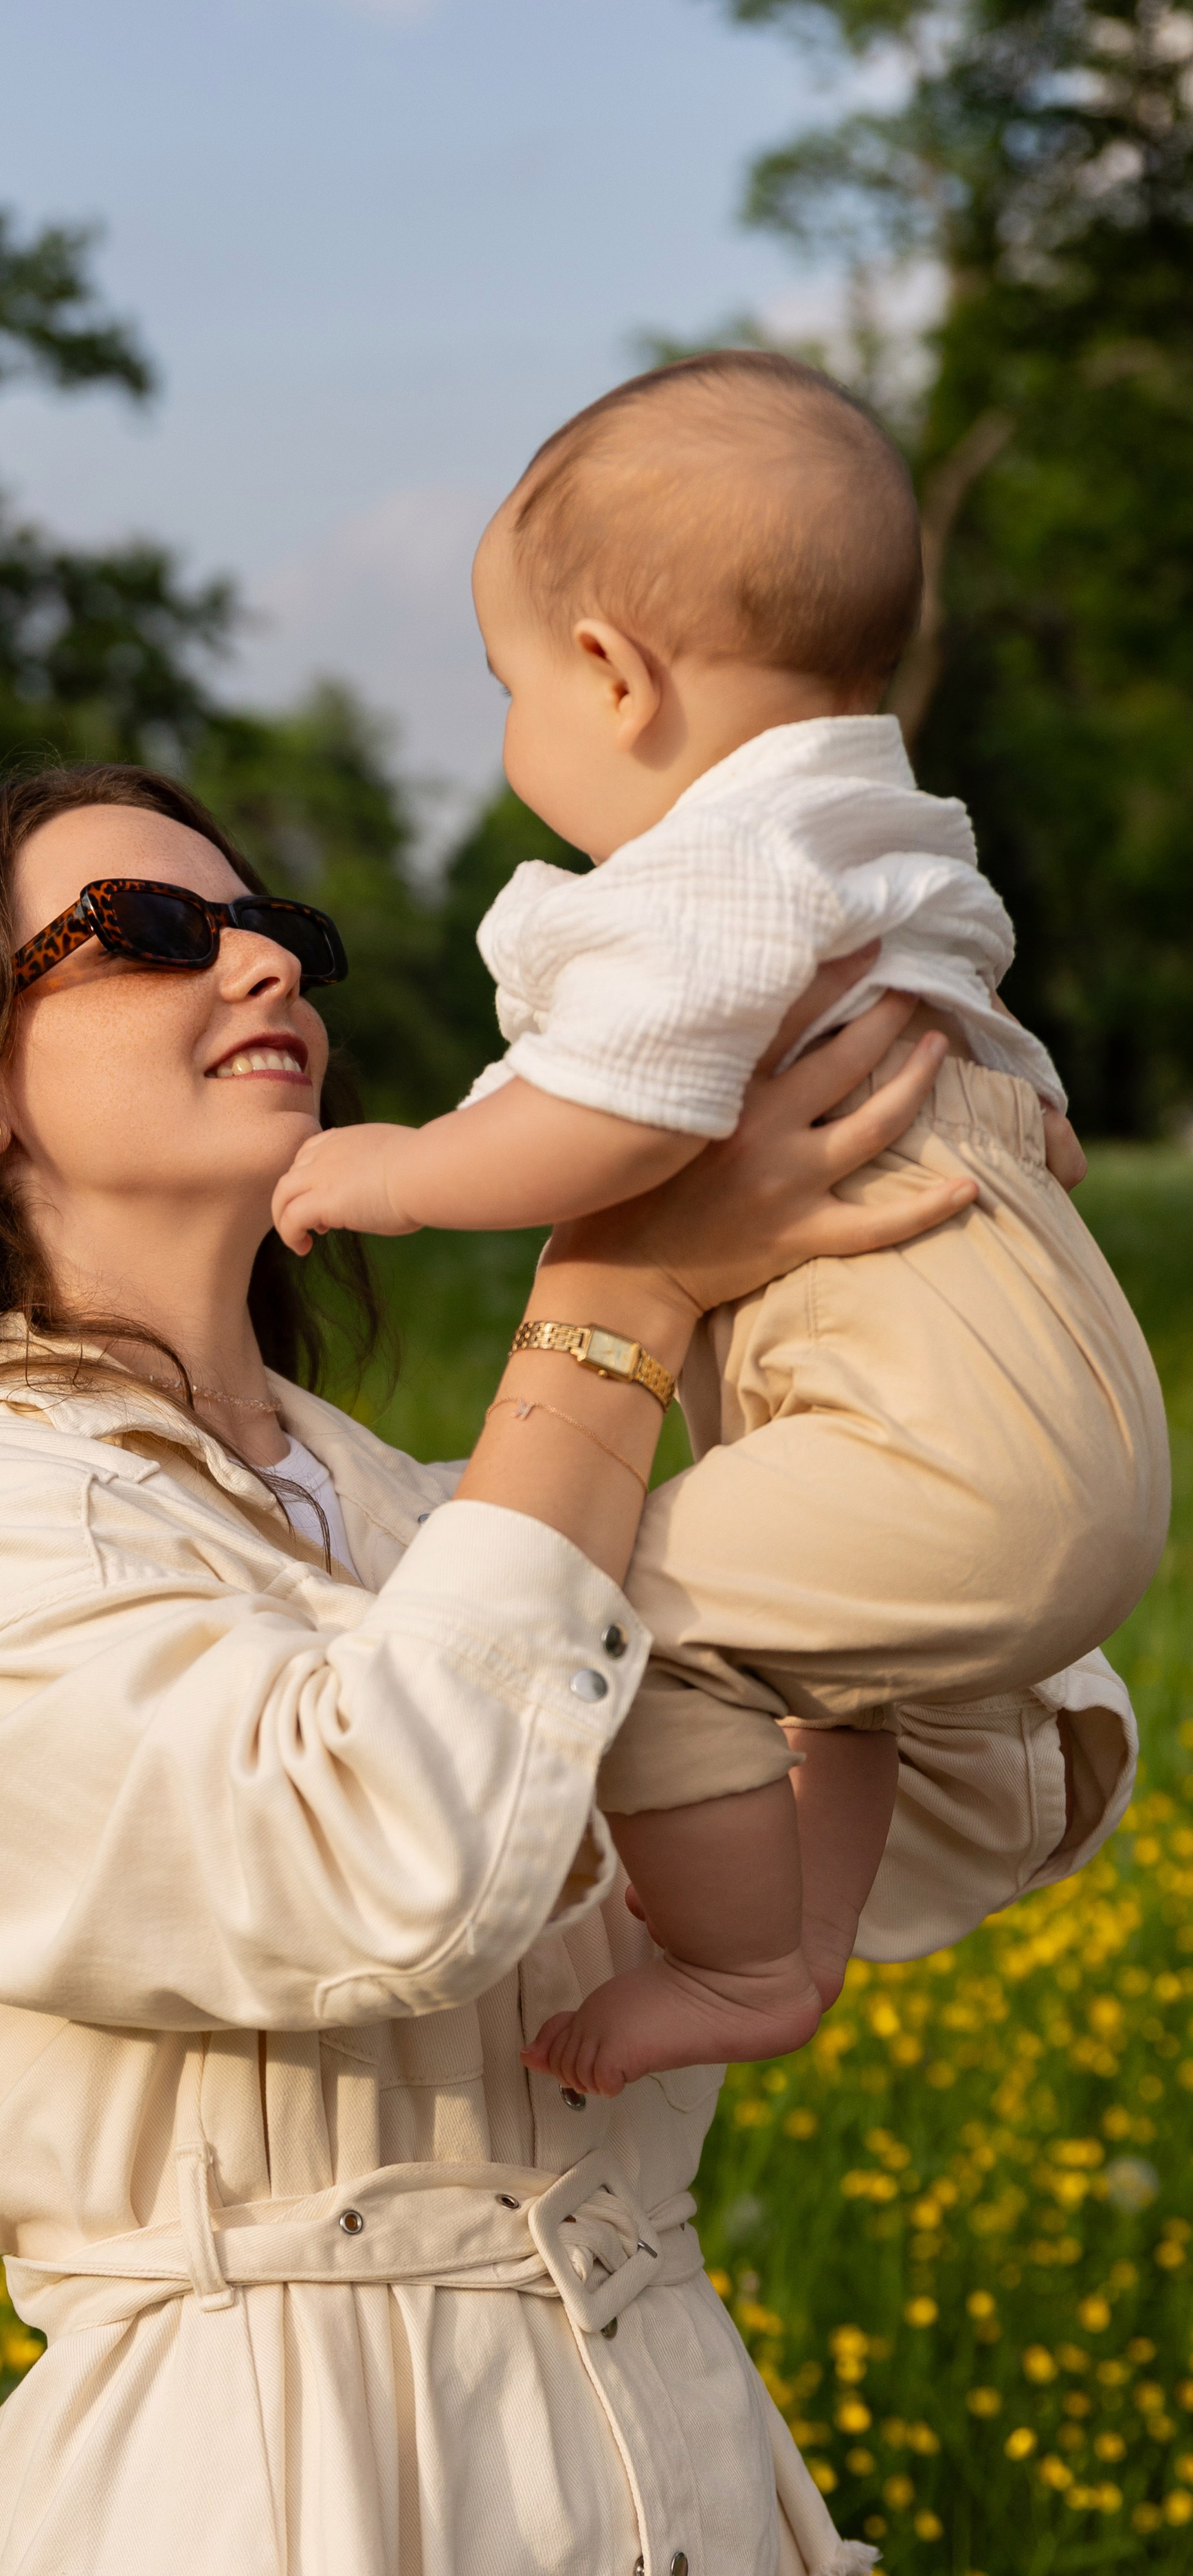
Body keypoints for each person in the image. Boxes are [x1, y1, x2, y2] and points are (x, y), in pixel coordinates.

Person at [0, 762, 1137, 2576]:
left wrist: (880, 1307)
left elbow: (958, 1815)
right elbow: (378, 1852)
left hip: (668, 2503)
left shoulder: (452, 1520)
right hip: (269, 2534)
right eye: (153, 931)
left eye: (285, 931)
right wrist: (618, 1294)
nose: (265, 964)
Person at [270, 351, 1168, 2101]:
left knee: (619, 1616)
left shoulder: (711, 877)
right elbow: (991, 1057)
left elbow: (614, 1122)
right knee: (826, 1680)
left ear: (610, 675)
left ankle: (745, 1959)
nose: (509, 733)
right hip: (1064, 1410)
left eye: (504, 687)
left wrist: (378, 1169)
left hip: (937, 1435)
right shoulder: (875, 835)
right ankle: (799, 1947)